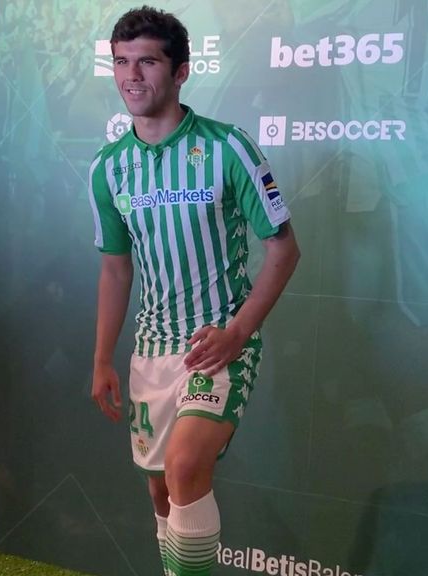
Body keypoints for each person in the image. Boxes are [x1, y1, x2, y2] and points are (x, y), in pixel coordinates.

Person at [87, 6, 300, 575]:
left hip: (217, 343)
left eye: (148, 61)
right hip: (152, 352)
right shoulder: (108, 168)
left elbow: (284, 250)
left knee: (184, 468)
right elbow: (115, 269)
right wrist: (103, 357)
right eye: (121, 62)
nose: (132, 75)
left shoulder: (229, 147)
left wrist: (237, 332)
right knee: (161, 495)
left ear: (181, 71)